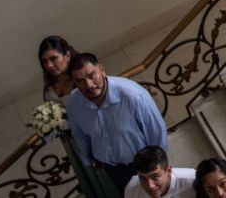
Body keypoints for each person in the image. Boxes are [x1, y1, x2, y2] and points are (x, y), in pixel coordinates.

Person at [66, 53, 168, 193]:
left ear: (101, 69)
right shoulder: (73, 104)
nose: (89, 85)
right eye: (80, 81)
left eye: (92, 75)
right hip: (112, 169)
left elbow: (156, 131)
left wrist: (158, 168)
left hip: (145, 165)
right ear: (75, 83)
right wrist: (88, 160)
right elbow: (79, 135)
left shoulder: (133, 95)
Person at [124, 146, 195, 198]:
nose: (150, 186)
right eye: (142, 178)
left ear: (169, 171)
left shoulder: (193, 180)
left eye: (155, 177)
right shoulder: (132, 190)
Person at [38, 35, 78, 104]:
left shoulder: (84, 77)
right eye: (45, 61)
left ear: (67, 56)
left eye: (53, 59)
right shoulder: (50, 90)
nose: (49, 65)